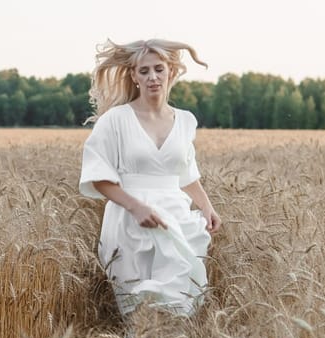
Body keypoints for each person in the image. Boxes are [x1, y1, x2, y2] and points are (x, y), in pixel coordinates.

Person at [79, 38, 221, 317]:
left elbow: (185, 172)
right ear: (134, 76)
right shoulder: (115, 120)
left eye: (158, 69)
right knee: (138, 310)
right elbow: (99, 176)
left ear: (171, 71)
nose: (152, 77)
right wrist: (136, 207)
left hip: (176, 217)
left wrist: (206, 206)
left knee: (179, 304)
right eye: (144, 71)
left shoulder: (185, 120)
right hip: (129, 221)